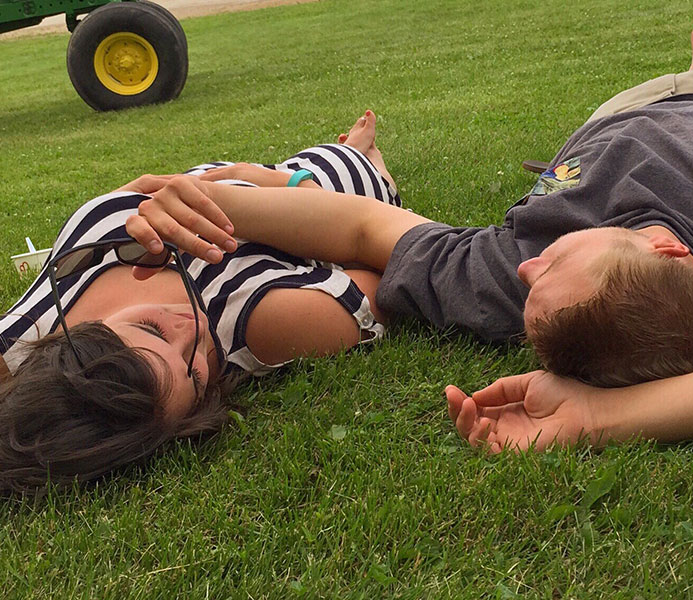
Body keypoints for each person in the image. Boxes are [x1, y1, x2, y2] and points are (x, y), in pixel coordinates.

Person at [445, 4, 693, 452]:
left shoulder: (520, 281)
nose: (526, 269)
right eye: (553, 263)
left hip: (617, 116)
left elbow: (373, 231)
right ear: (665, 248)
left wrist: (602, 416)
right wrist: (605, 414)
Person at [0, 113, 400, 491]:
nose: (193, 331)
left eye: (152, 329)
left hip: (226, 175)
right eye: (195, 375)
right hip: (334, 189)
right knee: (348, 159)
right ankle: (372, 162)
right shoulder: (257, 321)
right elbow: (389, 260)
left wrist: (130, 198)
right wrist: (274, 181)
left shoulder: (23, 338)